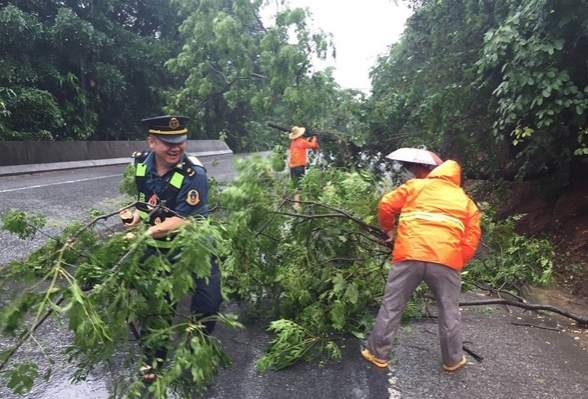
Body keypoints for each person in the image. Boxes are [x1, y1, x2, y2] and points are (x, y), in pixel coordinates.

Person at [124, 115, 222, 381]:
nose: (175, 148)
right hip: (158, 248)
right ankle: (153, 359)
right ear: (152, 141)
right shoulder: (140, 164)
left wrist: (144, 234)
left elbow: (184, 219)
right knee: (158, 305)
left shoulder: (194, 173)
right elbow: (146, 200)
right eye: (168, 142)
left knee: (209, 303)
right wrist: (136, 215)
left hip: (195, 246)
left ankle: (195, 349)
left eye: (180, 141)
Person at [362, 159, 481, 372]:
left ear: (435, 172)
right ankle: (452, 360)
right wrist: (456, 262)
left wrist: (388, 230)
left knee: (392, 305)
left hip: (409, 254)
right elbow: (472, 238)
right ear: (457, 179)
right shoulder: (466, 202)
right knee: (449, 311)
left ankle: (376, 354)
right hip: (446, 260)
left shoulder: (415, 186)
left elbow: (386, 204)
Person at [288, 126, 319, 208]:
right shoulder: (302, 142)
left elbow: (302, 145)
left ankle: (296, 203)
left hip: (292, 166)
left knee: (295, 184)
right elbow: (314, 146)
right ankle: (298, 204)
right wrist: (314, 139)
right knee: (301, 184)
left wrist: (307, 140)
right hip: (299, 166)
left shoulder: (293, 142)